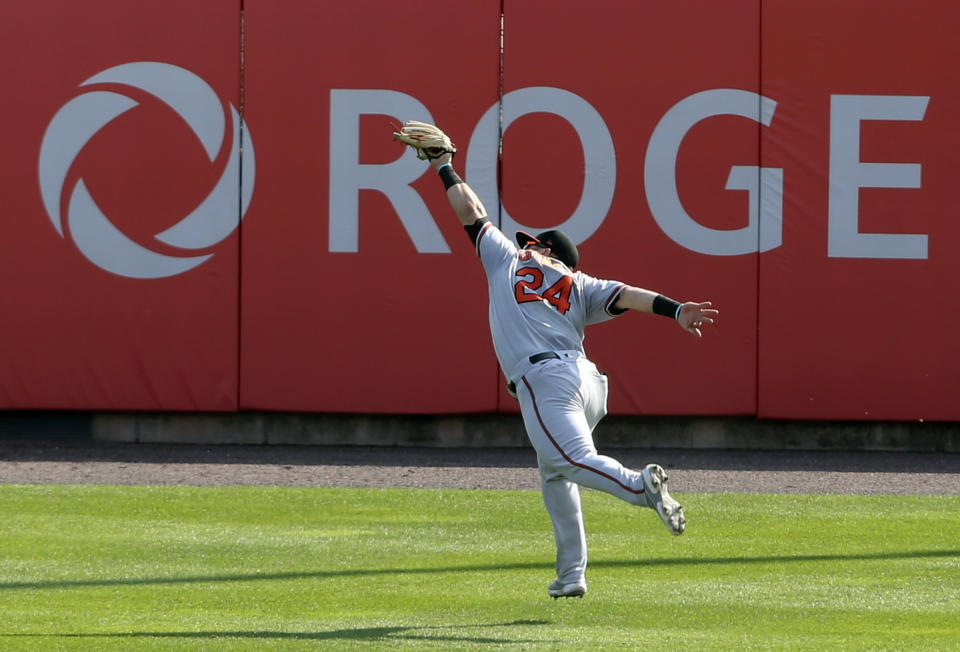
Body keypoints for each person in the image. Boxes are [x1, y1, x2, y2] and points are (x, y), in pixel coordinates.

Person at [398, 122, 718, 599]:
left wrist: (443, 166)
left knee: (571, 459)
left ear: (544, 250)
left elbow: (474, 211)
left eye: (535, 241)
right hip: (586, 383)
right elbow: (629, 295)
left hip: (546, 379)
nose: (528, 242)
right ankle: (572, 575)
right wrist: (676, 310)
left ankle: (639, 486)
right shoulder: (583, 285)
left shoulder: (511, 258)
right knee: (556, 473)